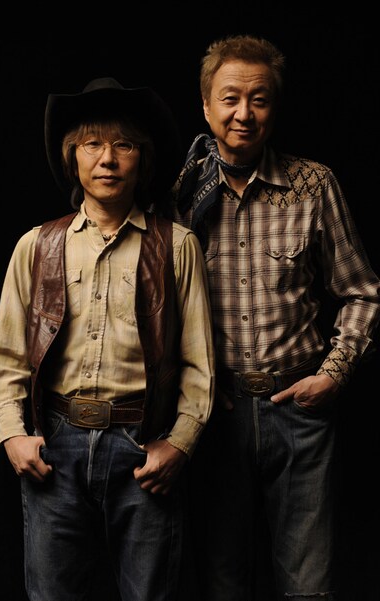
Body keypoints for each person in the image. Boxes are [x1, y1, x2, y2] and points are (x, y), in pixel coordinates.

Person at [0, 77, 215, 601]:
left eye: (123, 145)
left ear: (142, 159)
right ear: (73, 159)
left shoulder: (177, 246)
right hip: (55, 446)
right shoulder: (36, 245)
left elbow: (199, 363)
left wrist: (179, 443)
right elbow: (6, 355)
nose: (107, 159)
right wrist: (12, 434)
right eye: (92, 144)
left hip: (141, 447)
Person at [169, 34, 380, 601]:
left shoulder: (314, 185)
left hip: (300, 415)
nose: (244, 113)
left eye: (258, 99)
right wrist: (189, 392)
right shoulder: (180, 194)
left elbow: (363, 292)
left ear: (274, 107)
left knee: (308, 586)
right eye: (230, 98)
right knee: (222, 583)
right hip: (215, 418)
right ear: (206, 106)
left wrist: (333, 374)